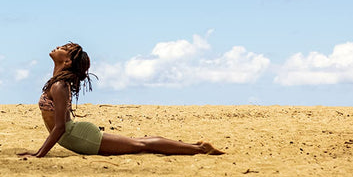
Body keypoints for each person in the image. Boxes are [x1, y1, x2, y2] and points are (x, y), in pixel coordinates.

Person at [17, 42, 224, 157]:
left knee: (141, 145)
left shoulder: (60, 85)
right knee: (140, 143)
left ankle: (199, 148)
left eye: (63, 48)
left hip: (79, 137)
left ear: (68, 60)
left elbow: (61, 127)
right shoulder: (58, 82)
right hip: (76, 135)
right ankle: (196, 146)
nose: (57, 47)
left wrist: (39, 154)